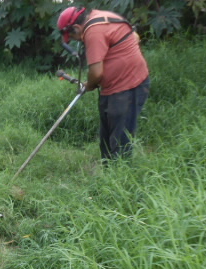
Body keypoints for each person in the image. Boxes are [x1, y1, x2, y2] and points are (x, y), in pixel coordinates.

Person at [57, 6, 150, 164]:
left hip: (128, 86)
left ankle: (121, 181)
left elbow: (96, 73)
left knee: (120, 140)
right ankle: (108, 176)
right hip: (112, 88)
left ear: (77, 27)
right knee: (107, 137)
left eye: (72, 36)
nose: (76, 40)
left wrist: (89, 85)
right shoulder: (101, 16)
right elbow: (134, 36)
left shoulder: (93, 32)